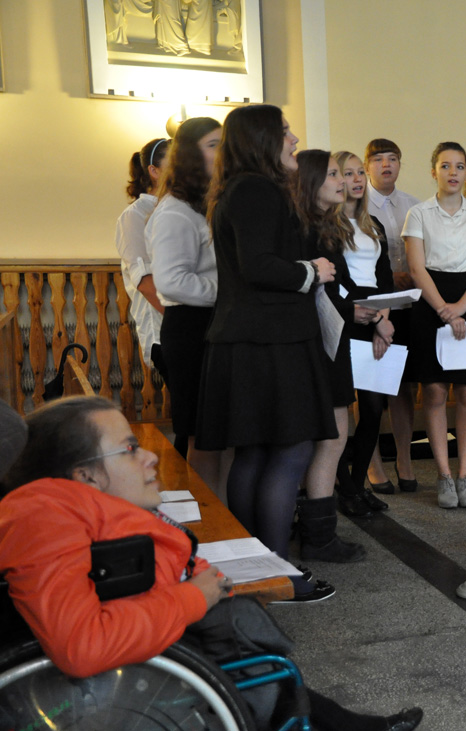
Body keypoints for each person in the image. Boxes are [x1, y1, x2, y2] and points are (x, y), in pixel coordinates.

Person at [0, 396, 424, 731]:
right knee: (269, 671)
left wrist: (196, 581)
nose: (149, 457)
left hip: (168, 644)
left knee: (276, 672)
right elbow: (81, 647)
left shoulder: (76, 511)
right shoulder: (43, 520)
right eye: (130, 449)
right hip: (144, 675)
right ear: (86, 476)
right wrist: (193, 596)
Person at [195, 104, 339, 603]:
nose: (294, 138)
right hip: (270, 341)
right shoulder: (256, 190)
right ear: (261, 140)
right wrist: (311, 271)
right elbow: (258, 265)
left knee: (256, 453)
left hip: (254, 339)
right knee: (289, 450)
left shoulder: (240, 189)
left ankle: (256, 569)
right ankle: (276, 573)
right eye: (284, 132)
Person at [403, 141, 466, 509]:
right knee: (435, 392)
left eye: (461, 166)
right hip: (431, 302)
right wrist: (444, 309)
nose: (454, 173)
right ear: (434, 172)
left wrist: (460, 308)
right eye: (446, 166)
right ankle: (443, 474)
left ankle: (464, 474)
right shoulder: (418, 213)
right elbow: (416, 268)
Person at [295, 150, 378, 563]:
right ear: (311, 182)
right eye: (332, 174)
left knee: (334, 435)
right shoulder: (306, 229)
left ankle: (319, 530)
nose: (342, 181)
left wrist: (357, 309)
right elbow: (317, 290)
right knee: (329, 437)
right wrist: (350, 309)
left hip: (332, 335)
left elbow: (339, 284)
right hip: (317, 341)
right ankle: (318, 535)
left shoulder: (325, 225)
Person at [145, 117, 226, 495]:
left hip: (214, 323)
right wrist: (230, 291)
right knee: (202, 434)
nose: (221, 152)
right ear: (190, 154)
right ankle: (209, 514)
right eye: (212, 145)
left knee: (221, 433)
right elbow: (171, 281)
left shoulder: (205, 202)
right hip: (192, 328)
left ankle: (226, 509)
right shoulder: (175, 210)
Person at [333, 150, 396, 518]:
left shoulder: (374, 224)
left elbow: (384, 277)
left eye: (360, 173)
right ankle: (343, 487)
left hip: (376, 318)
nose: (357, 179)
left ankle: (357, 486)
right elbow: (338, 282)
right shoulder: (328, 226)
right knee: (340, 409)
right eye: (348, 173)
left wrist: (383, 318)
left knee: (373, 408)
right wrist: (372, 318)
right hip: (346, 318)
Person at [364, 139, 420, 494]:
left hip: (408, 307)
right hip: (373, 308)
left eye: (393, 159)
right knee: (371, 388)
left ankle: (405, 458)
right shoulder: (357, 205)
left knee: (404, 385)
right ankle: (372, 462)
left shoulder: (413, 205)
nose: (386, 165)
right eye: (378, 160)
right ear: (367, 167)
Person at [116, 138, 171, 398]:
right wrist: (185, 322)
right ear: (154, 171)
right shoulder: (134, 217)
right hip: (164, 331)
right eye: (177, 162)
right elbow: (147, 285)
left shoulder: (185, 210)